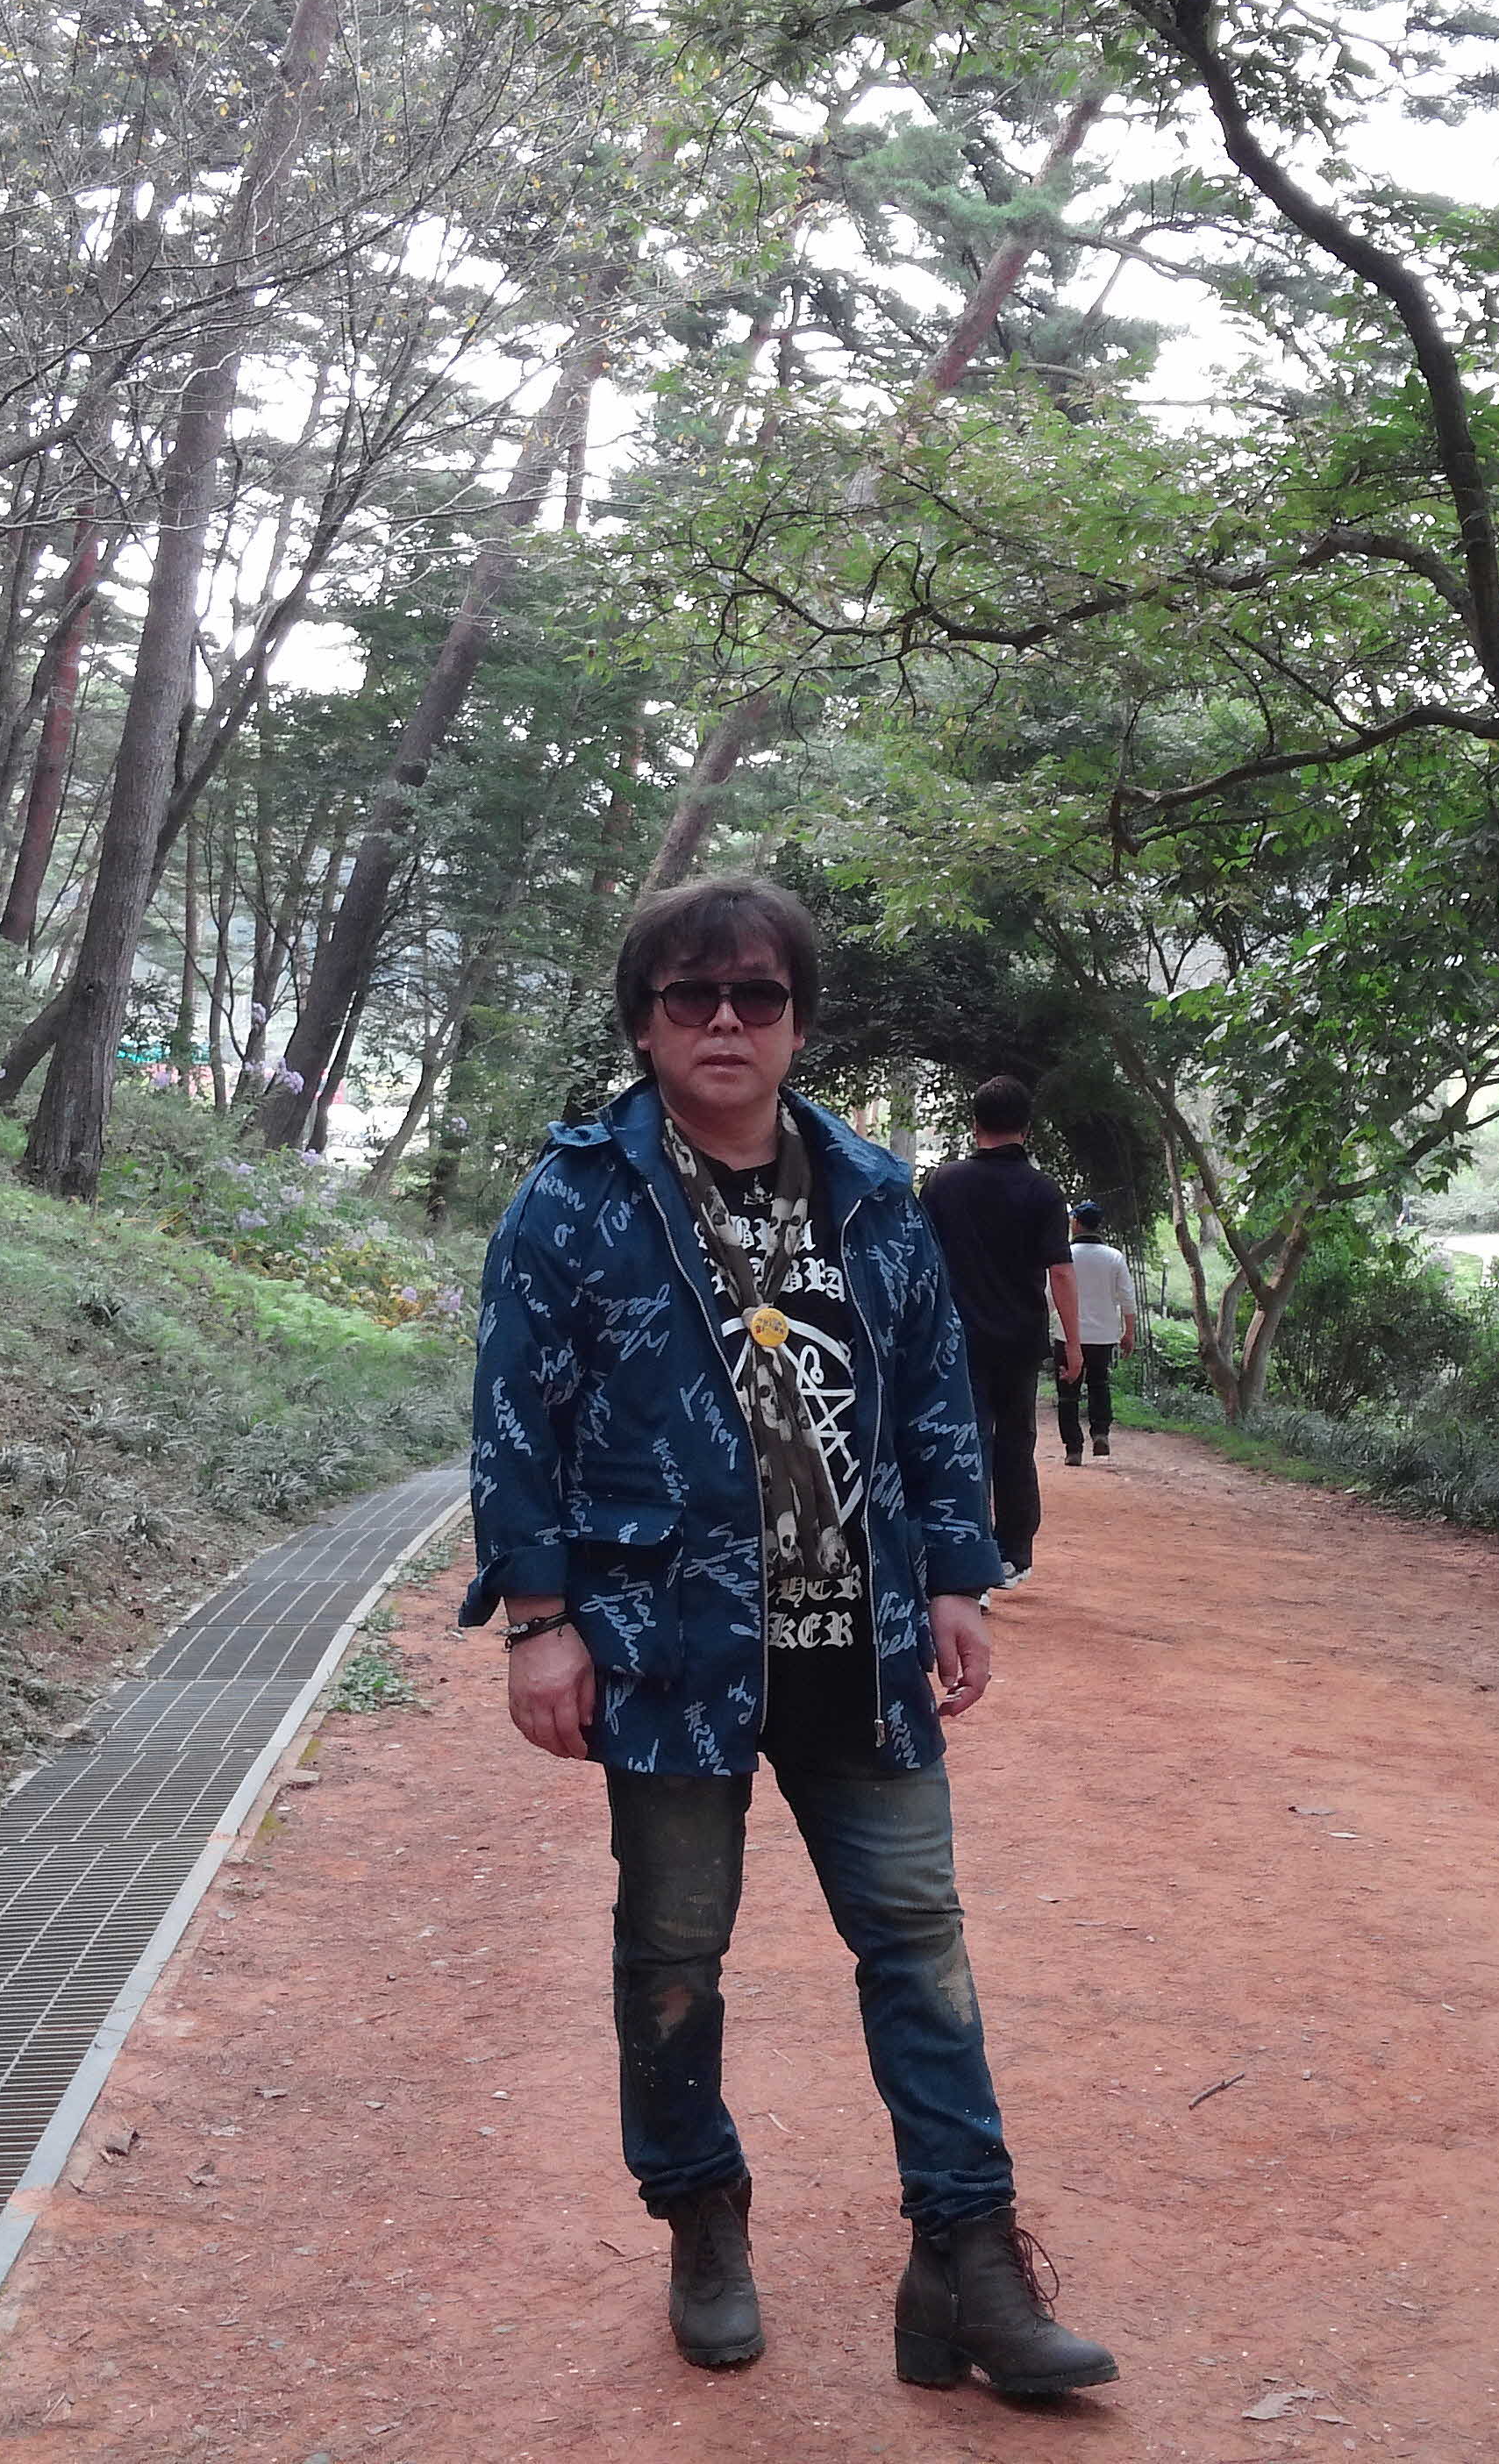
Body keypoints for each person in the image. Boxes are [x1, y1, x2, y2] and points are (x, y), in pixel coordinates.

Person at [462, 876, 1118, 2402]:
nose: (725, 1021)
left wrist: (957, 1576)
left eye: (756, 995)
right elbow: (513, 1421)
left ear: (798, 1023)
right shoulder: (576, 1196)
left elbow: (935, 1397)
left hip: (858, 1642)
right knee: (675, 1948)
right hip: (669, 1645)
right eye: (690, 996)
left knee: (917, 1942)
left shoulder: (875, 1195)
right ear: (644, 1024)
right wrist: (539, 1620)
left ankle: (965, 2258)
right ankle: (702, 2218)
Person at [916, 1078, 1078, 1581]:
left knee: (965, 1443)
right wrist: (1073, 1343)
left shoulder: (942, 1184)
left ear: (974, 1125)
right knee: (1015, 1442)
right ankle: (1014, 1553)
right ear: (1026, 1129)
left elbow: (919, 1262)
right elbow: (1060, 1272)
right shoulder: (1043, 1191)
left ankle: (968, 1554)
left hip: (955, 1340)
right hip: (1019, 1341)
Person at [1053, 1202, 1138, 1466]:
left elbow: (1049, 1295)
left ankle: (1073, 1449)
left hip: (1067, 1334)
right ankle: (1100, 1433)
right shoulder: (1114, 1257)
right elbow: (1127, 1297)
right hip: (1103, 1336)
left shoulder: (1064, 1254)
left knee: (1068, 1392)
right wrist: (1129, 1332)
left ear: (1076, 1223)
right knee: (1099, 1385)